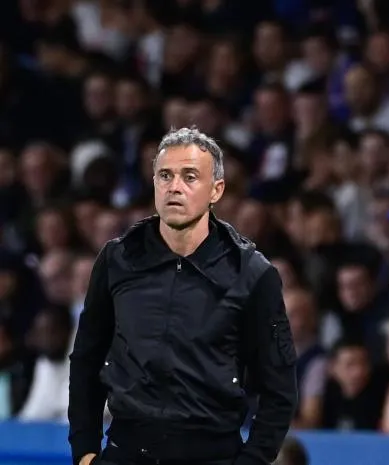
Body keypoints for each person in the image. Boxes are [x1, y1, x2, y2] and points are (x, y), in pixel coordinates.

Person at [68, 128, 298, 465]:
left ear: (216, 190)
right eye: (165, 176)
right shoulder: (118, 259)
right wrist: (85, 452)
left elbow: (280, 389)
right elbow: (86, 361)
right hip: (126, 452)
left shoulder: (252, 273)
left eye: (190, 177)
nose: (174, 187)